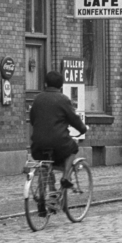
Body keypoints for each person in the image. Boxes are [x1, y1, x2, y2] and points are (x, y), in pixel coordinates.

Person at [28, 69, 87, 215]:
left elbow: (32, 119)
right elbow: (74, 119)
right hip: (58, 144)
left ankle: (43, 202)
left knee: (44, 166)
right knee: (73, 148)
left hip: (38, 145)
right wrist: (83, 129)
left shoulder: (37, 99)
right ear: (61, 85)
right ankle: (65, 178)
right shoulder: (63, 100)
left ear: (45, 84)